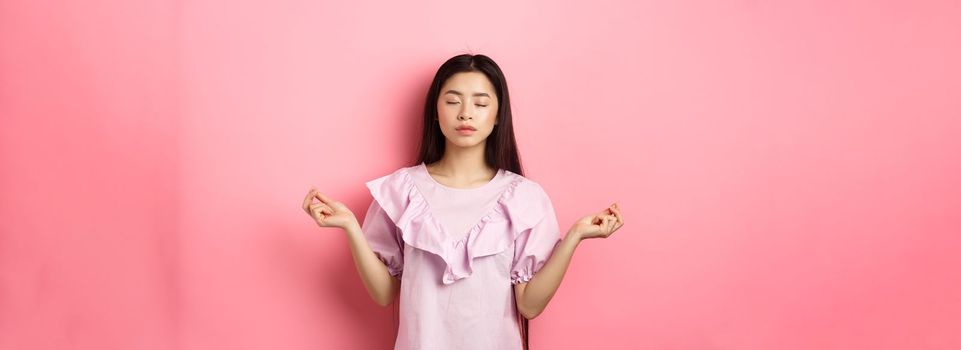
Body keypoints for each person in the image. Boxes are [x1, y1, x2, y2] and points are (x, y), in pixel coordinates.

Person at [302, 53, 624, 350]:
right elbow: (384, 293)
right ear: (436, 110)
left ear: (498, 115)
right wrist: (349, 227)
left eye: (481, 103)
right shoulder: (402, 191)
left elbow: (529, 305)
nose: (465, 113)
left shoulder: (524, 198)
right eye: (453, 101)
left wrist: (576, 236)